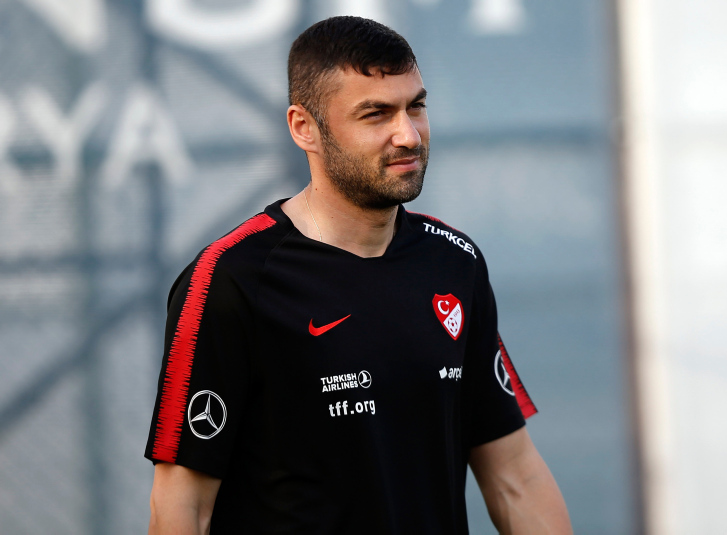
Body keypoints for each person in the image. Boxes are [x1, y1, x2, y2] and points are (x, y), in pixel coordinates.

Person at [145, 15, 572, 535]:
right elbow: (182, 508)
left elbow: (515, 477)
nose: (408, 135)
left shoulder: (454, 260)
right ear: (304, 128)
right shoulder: (230, 279)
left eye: (416, 106)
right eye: (376, 114)